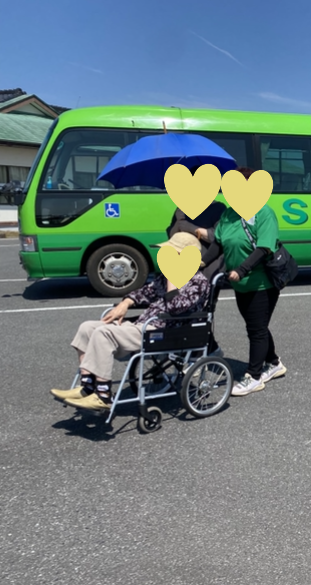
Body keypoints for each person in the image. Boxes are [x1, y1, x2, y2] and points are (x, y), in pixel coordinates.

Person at [50, 232, 211, 411]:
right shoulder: (164, 277)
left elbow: (175, 307)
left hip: (166, 331)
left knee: (104, 333)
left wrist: (173, 280)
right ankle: (87, 387)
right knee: (87, 328)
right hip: (144, 324)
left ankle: (103, 395)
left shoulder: (199, 282)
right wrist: (126, 303)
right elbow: (144, 293)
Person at [204, 167, 286, 397]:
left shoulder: (264, 212)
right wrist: (200, 262)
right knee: (256, 325)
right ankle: (274, 363)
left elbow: (264, 247)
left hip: (261, 282)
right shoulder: (229, 214)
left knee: (256, 329)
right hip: (240, 284)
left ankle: (254, 376)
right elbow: (218, 244)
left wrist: (241, 269)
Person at [166, 165, 227, 282]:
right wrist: (179, 221)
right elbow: (172, 236)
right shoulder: (181, 208)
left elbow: (217, 237)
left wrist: (190, 227)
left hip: (209, 265)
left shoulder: (218, 208)